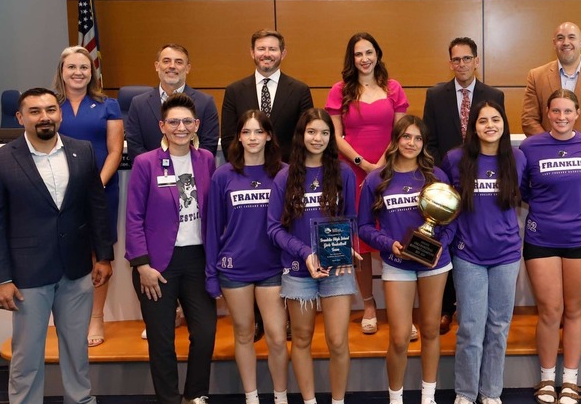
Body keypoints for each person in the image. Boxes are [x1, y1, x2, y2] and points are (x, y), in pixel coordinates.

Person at [0, 87, 119, 404]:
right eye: (35, 111)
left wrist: (103, 256)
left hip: (76, 267)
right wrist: (0, 278)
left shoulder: (82, 151)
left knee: (76, 345)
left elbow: (95, 206)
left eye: (51, 109)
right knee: (28, 352)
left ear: (60, 114)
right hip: (27, 274)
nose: (45, 116)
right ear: (20, 117)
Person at [125, 93, 219, 404]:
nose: (181, 128)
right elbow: (133, 216)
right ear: (162, 126)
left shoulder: (207, 159)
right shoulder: (146, 163)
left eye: (187, 122)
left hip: (198, 258)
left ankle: (195, 394)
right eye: (174, 122)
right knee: (162, 338)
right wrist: (141, 264)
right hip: (157, 265)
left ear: (196, 127)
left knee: (206, 330)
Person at [358, 115, 455, 404]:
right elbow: (362, 227)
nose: (411, 143)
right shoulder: (377, 179)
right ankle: (395, 401)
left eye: (417, 138)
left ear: (424, 144)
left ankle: (428, 398)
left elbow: (452, 219)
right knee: (399, 337)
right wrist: (389, 244)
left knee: (429, 331)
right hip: (397, 263)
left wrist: (442, 244)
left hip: (433, 264)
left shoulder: (435, 176)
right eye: (406, 137)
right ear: (396, 139)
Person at [269, 109, 361, 404]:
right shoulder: (284, 176)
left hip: (336, 268)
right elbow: (274, 228)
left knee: (338, 340)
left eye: (324, 132)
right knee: (303, 339)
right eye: (312, 132)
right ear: (301, 134)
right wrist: (305, 253)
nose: (318, 138)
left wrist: (347, 246)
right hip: (298, 270)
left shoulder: (344, 174)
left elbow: (350, 219)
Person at [521, 21, 581, 333]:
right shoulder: (537, 75)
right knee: (551, 242)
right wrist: (552, 149)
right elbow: (528, 119)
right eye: (561, 37)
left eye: (572, 37)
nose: (566, 42)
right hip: (549, 172)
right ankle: (557, 308)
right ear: (554, 42)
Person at [206, 111, 290, 404]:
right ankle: (252, 401)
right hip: (234, 268)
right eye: (246, 132)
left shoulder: (283, 174)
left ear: (269, 136)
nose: (253, 137)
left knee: (277, 336)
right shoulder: (223, 176)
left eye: (259, 131)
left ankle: (281, 400)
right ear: (238, 137)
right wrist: (211, 273)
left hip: (272, 267)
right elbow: (213, 228)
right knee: (243, 333)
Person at [520, 89, 581, 404]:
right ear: (547, 113)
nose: (562, 117)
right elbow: (524, 189)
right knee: (550, 311)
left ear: (578, 113)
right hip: (541, 238)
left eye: (568, 111)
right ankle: (546, 377)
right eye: (556, 111)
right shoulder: (530, 147)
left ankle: (570, 379)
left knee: (574, 310)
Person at [442, 100, 525, 404]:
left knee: (499, 325)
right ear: (472, 127)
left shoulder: (517, 159)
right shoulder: (455, 160)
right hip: (468, 255)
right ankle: (465, 391)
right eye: (482, 121)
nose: (490, 125)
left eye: (495, 119)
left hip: (505, 255)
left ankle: (491, 391)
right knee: (470, 326)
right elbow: (445, 206)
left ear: (503, 124)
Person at [326, 32, 409, 336]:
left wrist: (383, 164)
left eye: (369, 52)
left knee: (392, 237)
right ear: (352, 59)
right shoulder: (339, 91)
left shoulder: (393, 88)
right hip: (354, 173)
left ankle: (400, 308)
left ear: (378, 54)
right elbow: (335, 137)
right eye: (358, 54)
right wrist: (364, 164)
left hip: (391, 170)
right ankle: (370, 305)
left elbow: (402, 132)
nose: (364, 59)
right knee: (359, 242)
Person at [423, 37, 506, 335]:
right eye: (456, 60)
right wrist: (440, 182)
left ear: (477, 61)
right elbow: (429, 143)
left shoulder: (493, 94)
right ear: (450, 63)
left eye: (467, 58)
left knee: (471, 243)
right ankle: (447, 308)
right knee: (447, 242)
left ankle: (474, 309)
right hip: (448, 181)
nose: (462, 64)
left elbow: (498, 136)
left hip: (483, 181)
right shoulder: (435, 95)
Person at [53, 46, 123, 348]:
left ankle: (97, 316)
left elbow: (115, 151)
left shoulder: (108, 105)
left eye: (84, 67)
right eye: (72, 67)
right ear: (62, 71)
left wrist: (95, 184)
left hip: (101, 189)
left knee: (99, 253)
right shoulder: (51, 105)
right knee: (65, 250)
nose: (78, 72)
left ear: (91, 72)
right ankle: (70, 318)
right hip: (59, 191)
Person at [222, 29, 313, 161]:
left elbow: (305, 136)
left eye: (272, 49)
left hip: (288, 172)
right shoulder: (234, 91)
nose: (266, 54)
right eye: (261, 49)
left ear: (283, 54)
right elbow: (228, 139)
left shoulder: (300, 91)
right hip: (245, 171)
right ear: (252, 53)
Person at [125, 43, 221, 158]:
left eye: (179, 62)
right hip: (149, 174)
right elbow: (135, 146)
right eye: (166, 61)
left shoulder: (205, 103)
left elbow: (208, 146)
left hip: (191, 174)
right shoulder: (138, 104)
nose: (172, 66)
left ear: (187, 68)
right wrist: (155, 170)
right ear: (157, 66)